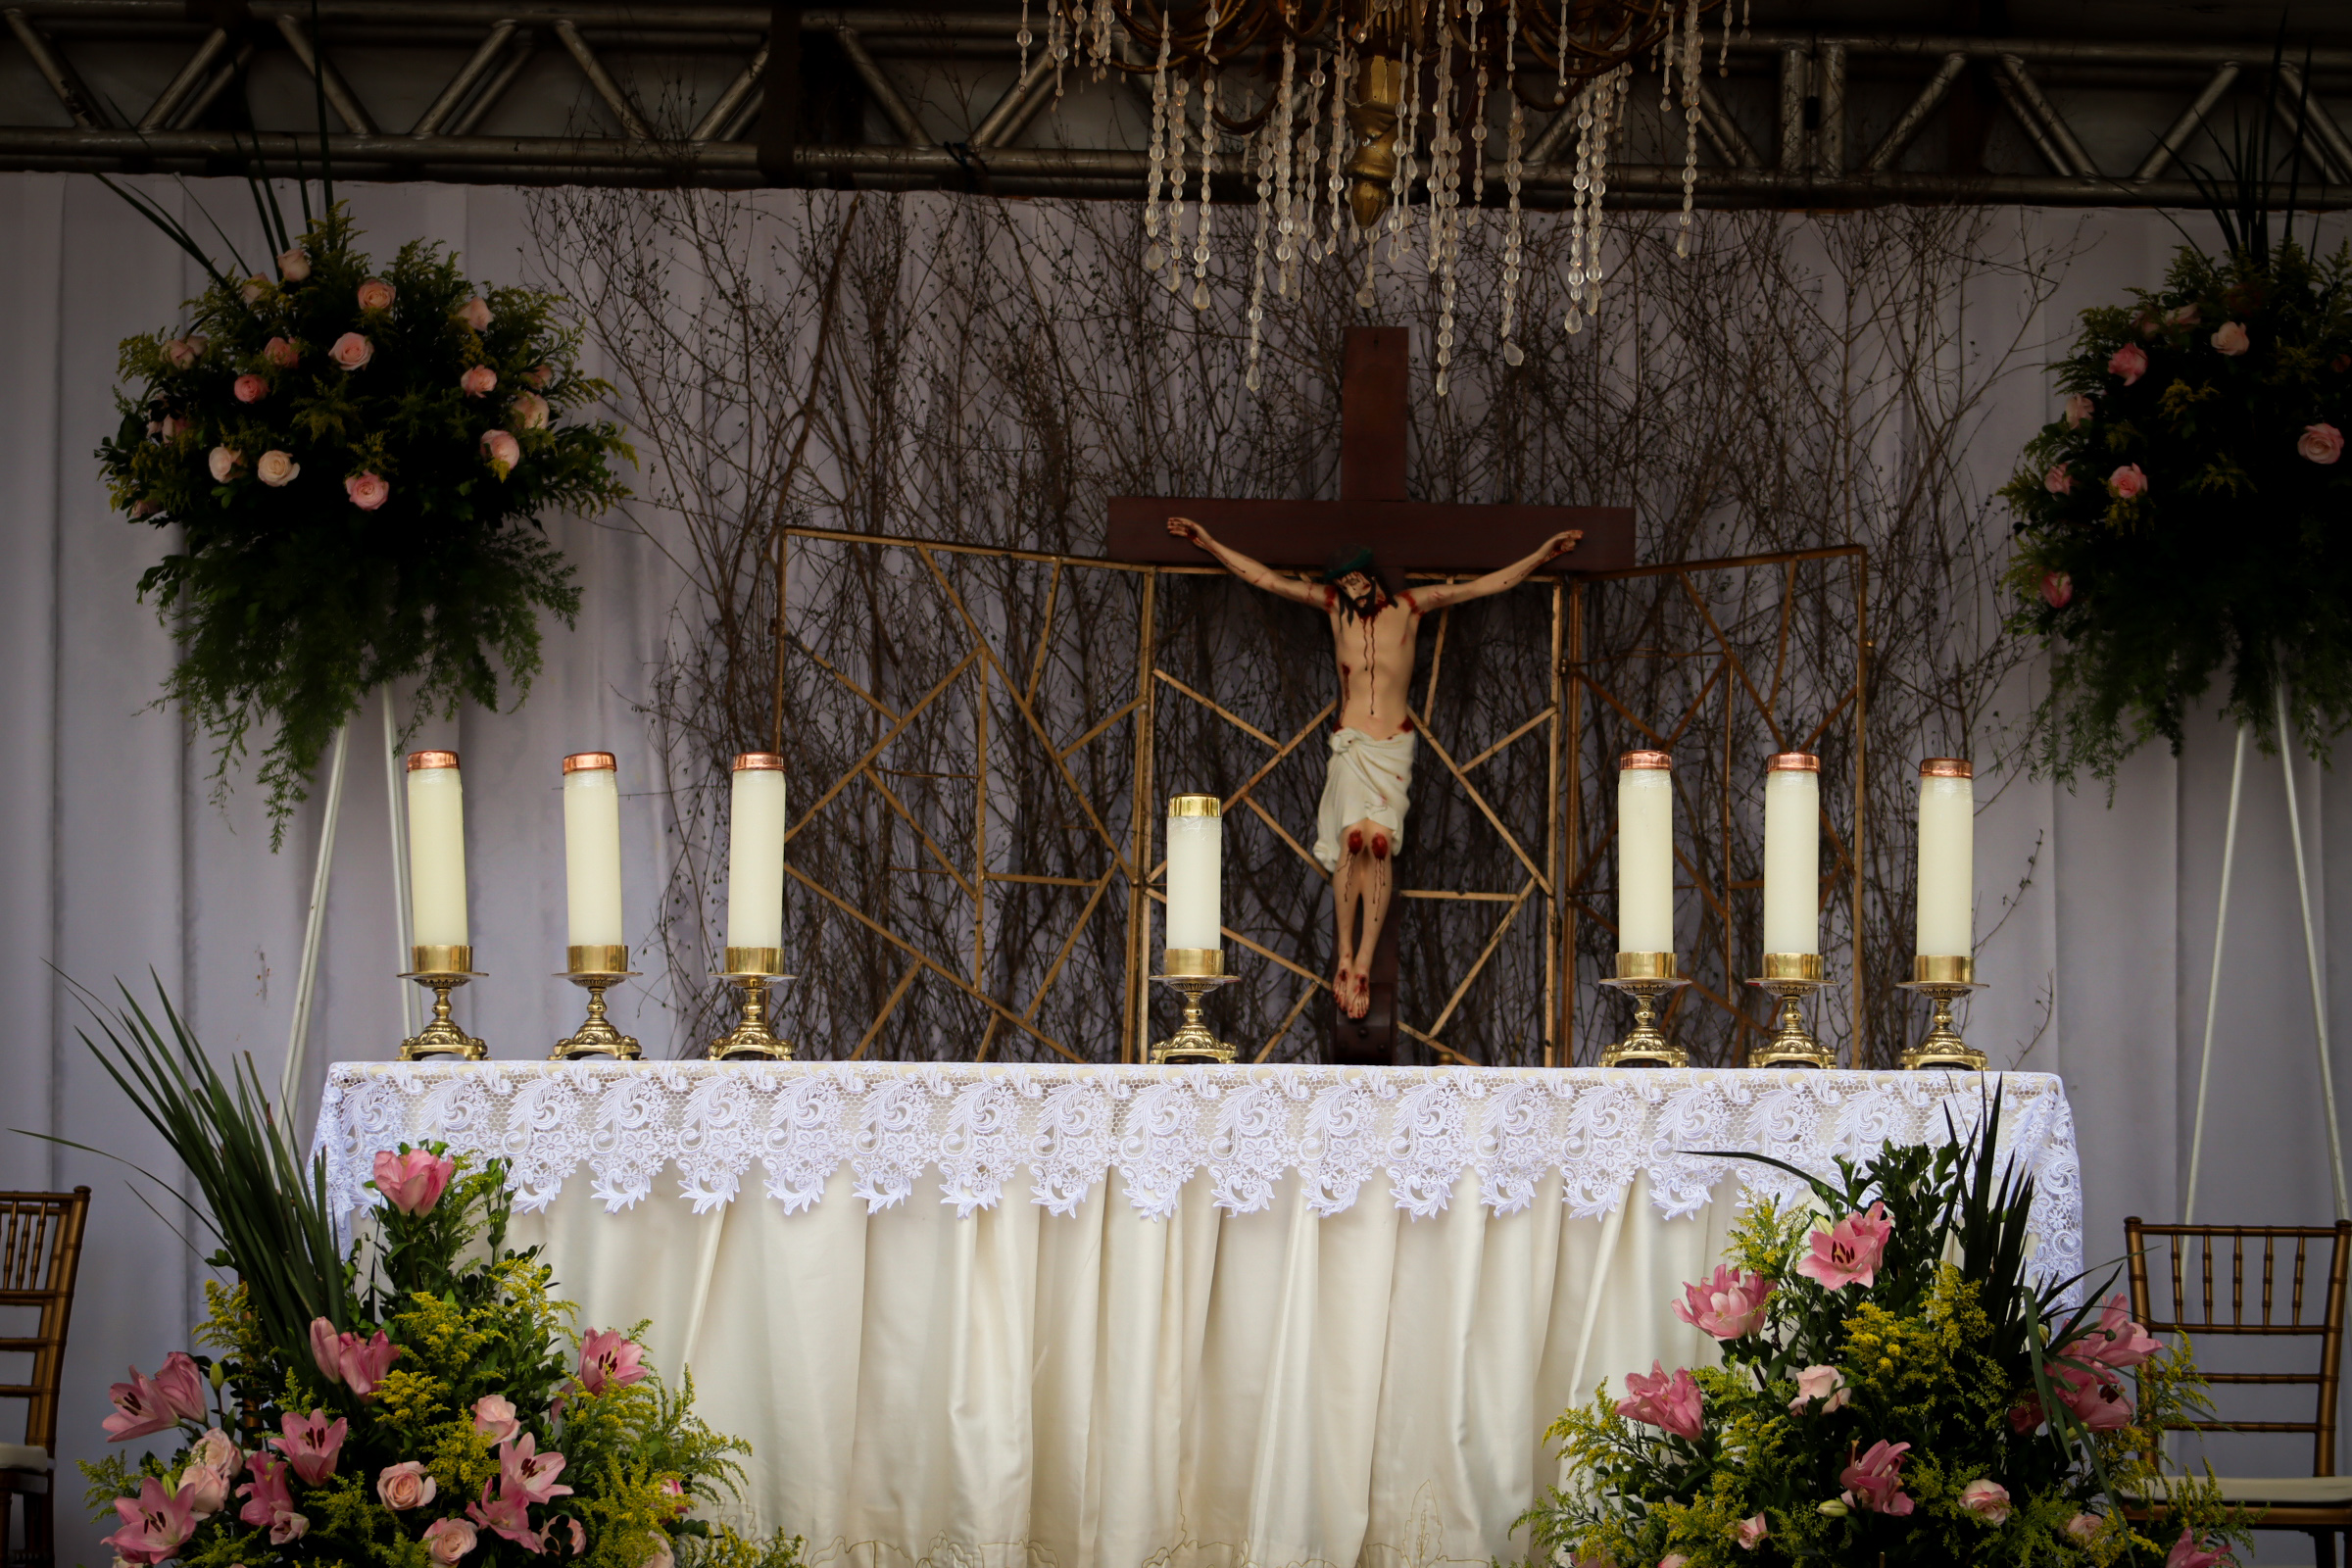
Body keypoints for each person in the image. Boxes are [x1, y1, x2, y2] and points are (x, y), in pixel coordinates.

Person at [1164, 515, 1583, 1017]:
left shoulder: (1409, 607)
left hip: (1391, 748)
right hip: (1351, 743)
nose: (1351, 590)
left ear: (1371, 575)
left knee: (1379, 846)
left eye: (1356, 580)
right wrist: (1210, 543)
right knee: (1353, 843)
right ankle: (1343, 954)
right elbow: (1269, 580)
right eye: (1344, 584)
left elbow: (1481, 587)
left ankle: (1363, 961)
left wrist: (1541, 555)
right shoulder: (1333, 608)